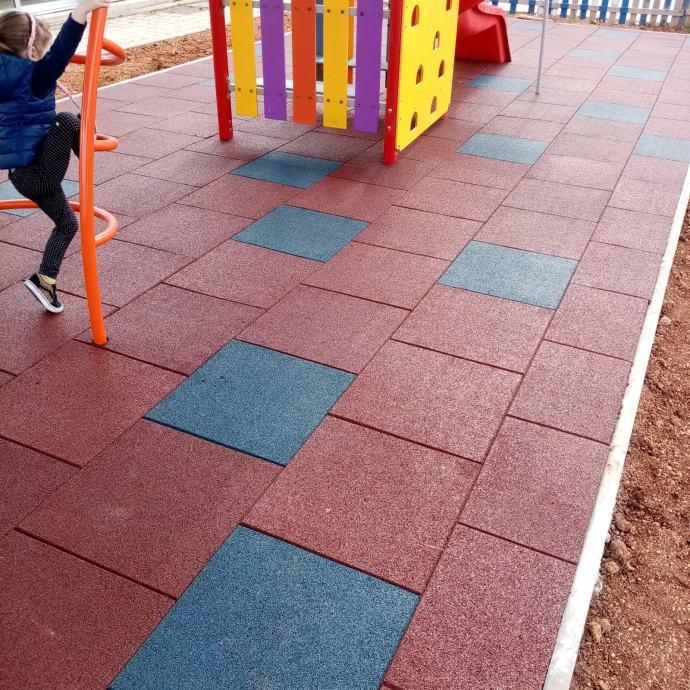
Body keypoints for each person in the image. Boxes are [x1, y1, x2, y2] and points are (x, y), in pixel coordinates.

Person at [0, 0, 110, 313]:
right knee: (67, 120)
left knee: (67, 224)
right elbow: (62, 53)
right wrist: (80, 12)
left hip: (22, 176)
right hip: (39, 174)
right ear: (32, 50)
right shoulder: (35, 76)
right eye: (43, 49)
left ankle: (44, 281)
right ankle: (85, 149)